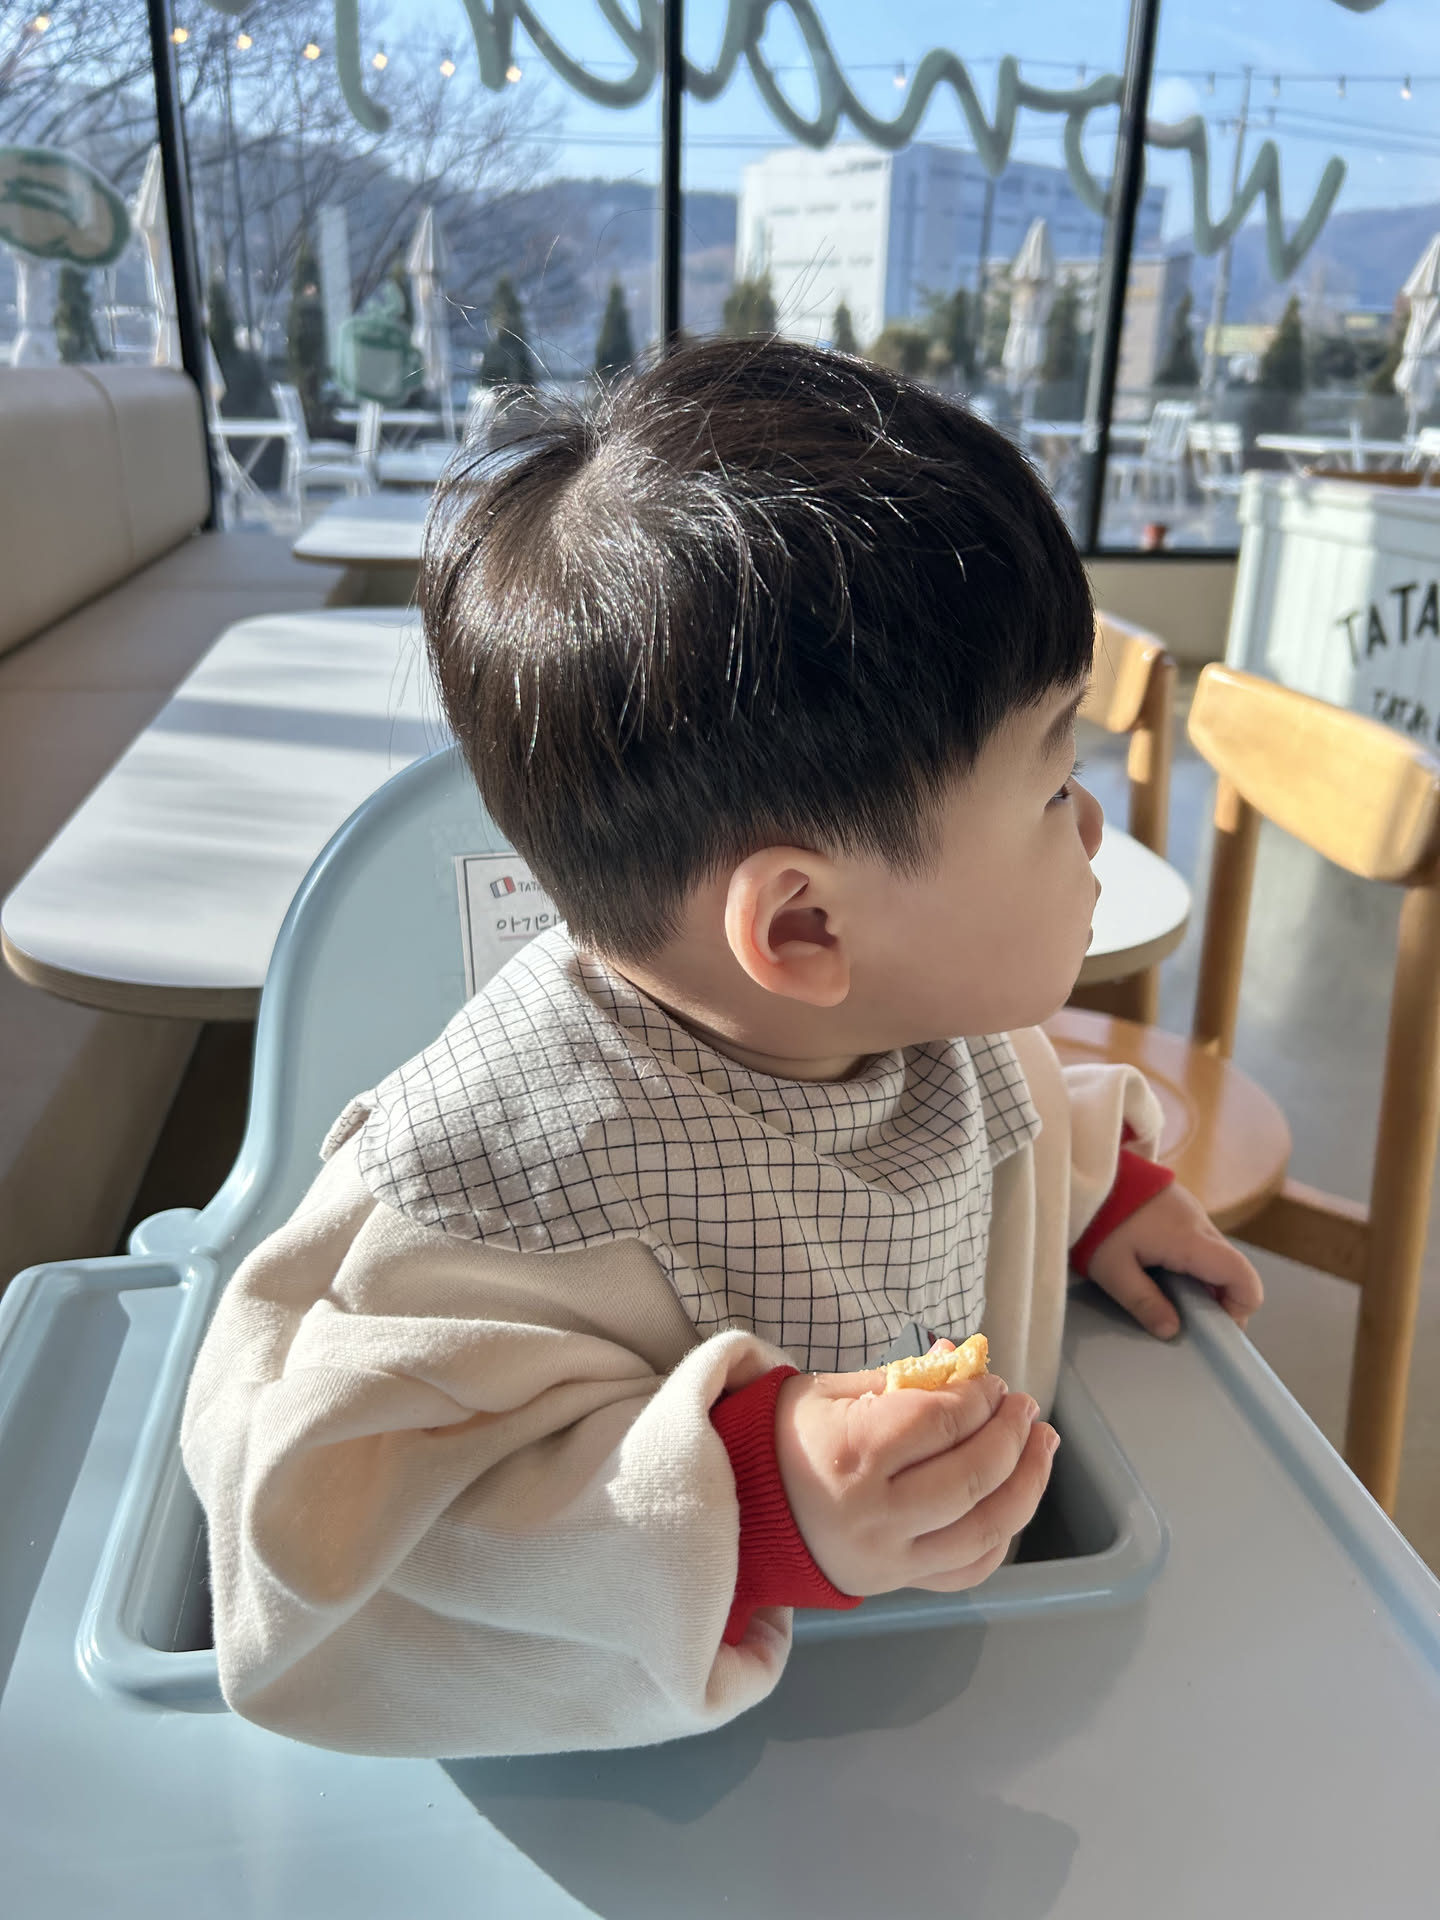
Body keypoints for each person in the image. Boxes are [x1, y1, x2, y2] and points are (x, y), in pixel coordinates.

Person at [181, 338, 1262, 1759]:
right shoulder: (501, 1184)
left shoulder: (921, 1031)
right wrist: (746, 1510)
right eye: (1055, 782)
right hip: (659, 1794)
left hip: (938, 1729)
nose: (1096, 825)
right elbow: (334, 1548)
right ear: (802, 925)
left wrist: (1098, 1197)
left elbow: (1010, 1124)